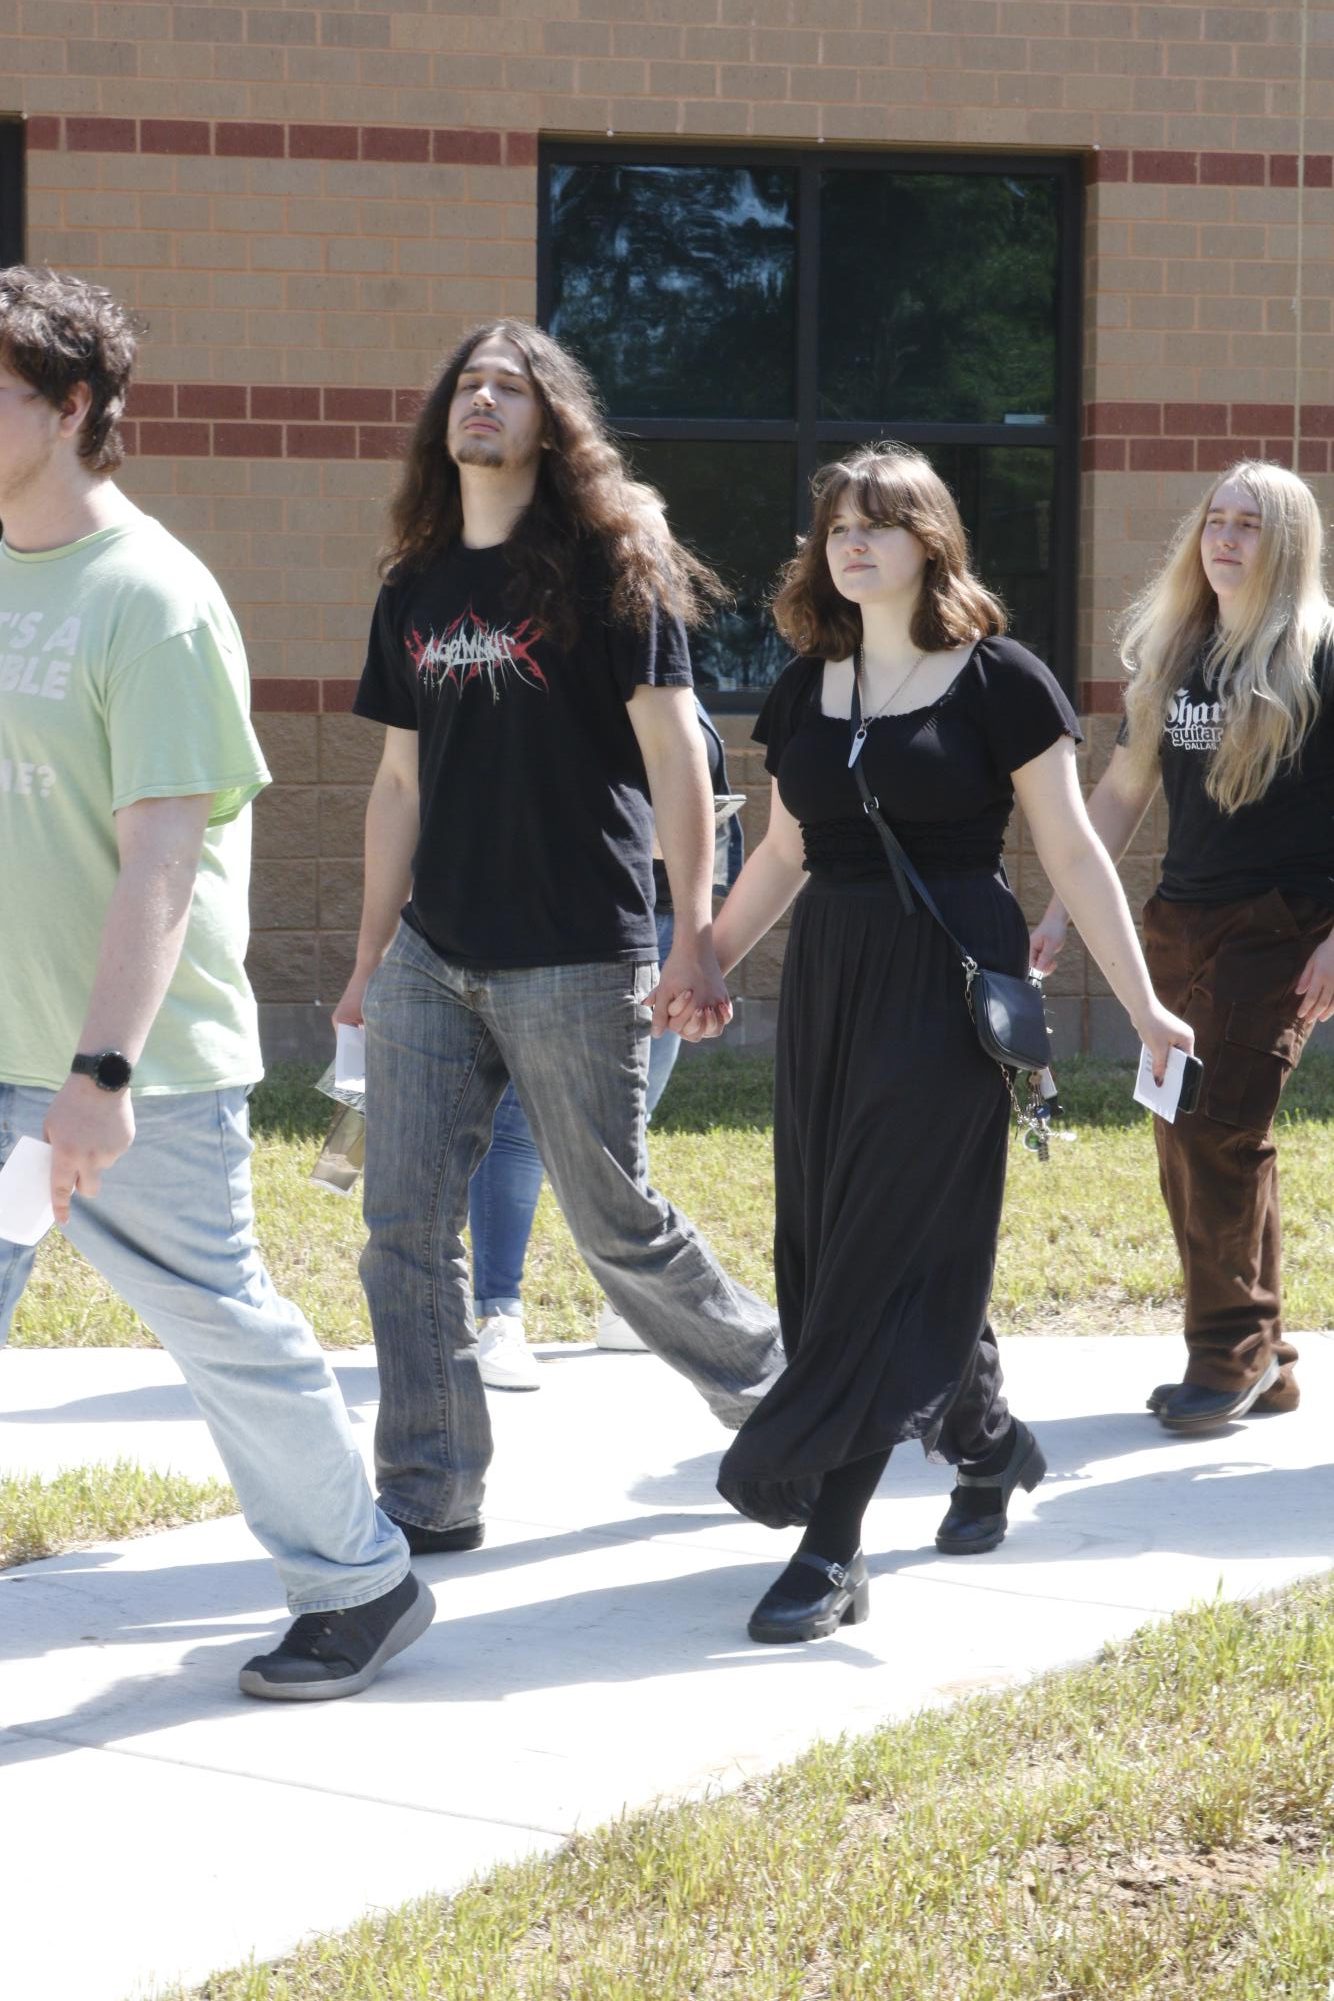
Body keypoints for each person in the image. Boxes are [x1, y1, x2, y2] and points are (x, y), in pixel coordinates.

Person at [673, 443, 1192, 1644]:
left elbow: (1070, 851)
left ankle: (830, 1543)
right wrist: (702, 957)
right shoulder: (809, 686)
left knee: (879, 1242)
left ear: (930, 542)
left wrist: (1143, 1001)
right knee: (832, 1237)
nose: (851, 542)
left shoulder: (999, 680)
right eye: (835, 527)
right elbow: (790, 852)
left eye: (879, 524)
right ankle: (990, 1443)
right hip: (831, 987)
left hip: (947, 982)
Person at [0, 265, 432, 1699]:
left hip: (134, 1073)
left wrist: (99, 1077)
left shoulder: (157, 598)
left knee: (220, 1326)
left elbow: (163, 864)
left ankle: (358, 1580)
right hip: (2, 1052)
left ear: (71, 409)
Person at [334, 319, 783, 1554]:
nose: (480, 400)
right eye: (465, 383)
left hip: (581, 946)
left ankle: (784, 1404)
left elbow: (676, 752)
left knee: (613, 1224)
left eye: (508, 387)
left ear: (550, 422)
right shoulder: (413, 583)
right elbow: (394, 788)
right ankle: (428, 1491)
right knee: (401, 1234)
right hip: (436, 953)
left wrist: (693, 930)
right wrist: (371, 959)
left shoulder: (602, 566)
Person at [1031, 461, 1334, 1433]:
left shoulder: (1320, 656)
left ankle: (1226, 1353)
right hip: (1177, 921)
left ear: (1284, 542)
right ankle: (1267, 1359)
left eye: (1248, 524)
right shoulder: (1176, 652)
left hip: (1279, 931)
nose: (1224, 539)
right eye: (1214, 520)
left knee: (1214, 1129)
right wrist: (1057, 909)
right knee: (1190, 1133)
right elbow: (1119, 792)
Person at [467, 697, 743, 1388]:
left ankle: (628, 1299)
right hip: (573, 924)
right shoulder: (567, 684)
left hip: (663, 923)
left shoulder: (681, 696)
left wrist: (700, 940)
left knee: (626, 1124)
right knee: (522, 1125)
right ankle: (497, 1310)